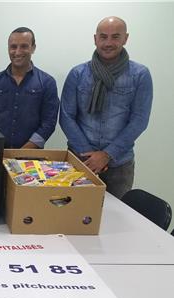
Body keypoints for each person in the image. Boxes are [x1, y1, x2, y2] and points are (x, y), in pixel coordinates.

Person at [59, 16, 153, 199]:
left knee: (115, 220)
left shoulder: (140, 75)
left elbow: (139, 120)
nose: (108, 42)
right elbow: (66, 116)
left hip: (119, 166)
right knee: (72, 216)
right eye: (103, 37)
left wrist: (106, 155)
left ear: (125, 38)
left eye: (115, 37)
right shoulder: (78, 74)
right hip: (79, 161)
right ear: (95, 39)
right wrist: (89, 156)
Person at [0, 27, 59, 149]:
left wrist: (24, 151)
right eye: (13, 47)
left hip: (32, 158)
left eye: (24, 46)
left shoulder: (47, 83)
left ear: (33, 48)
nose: (17, 52)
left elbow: (49, 122)